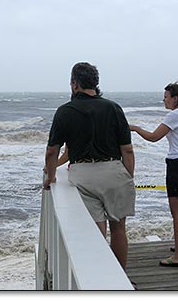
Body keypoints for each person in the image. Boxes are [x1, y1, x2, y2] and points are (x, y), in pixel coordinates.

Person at [44, 62, 136, 272]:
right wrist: (127, 176)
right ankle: (121, 278)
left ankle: (99, 276)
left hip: (82, 173)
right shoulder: (113, 108)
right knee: (119, 228)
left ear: (75, 84)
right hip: (114, 170)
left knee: (96, 230)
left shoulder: (65, 111)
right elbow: (127, 150)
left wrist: (51, 177)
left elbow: (52, 151)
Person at [130, 82, 178, 267]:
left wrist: (134, 128)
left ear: (174, 99)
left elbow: (153, 137)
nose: (163, 100)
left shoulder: (174, 115)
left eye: (165, 96)